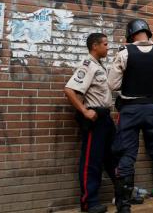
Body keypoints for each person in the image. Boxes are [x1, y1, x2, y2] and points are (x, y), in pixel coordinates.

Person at [108, 19, 153, 213]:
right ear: (148, 33)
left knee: (126, 156)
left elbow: (113, 85)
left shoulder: (124, 53)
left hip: (130, 110)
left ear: (130, 35)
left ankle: (123, 208)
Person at [64, 33, 114, 213]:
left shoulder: (100, 65)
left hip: (106, 118)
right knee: (92, 161)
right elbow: (69, 90)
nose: (108, 47)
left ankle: (122, 194)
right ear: (95, 46)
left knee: (113, 156)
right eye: (105, 44)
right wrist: (84, 111)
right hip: (95, 119)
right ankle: (89, 202)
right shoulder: (87, 65)